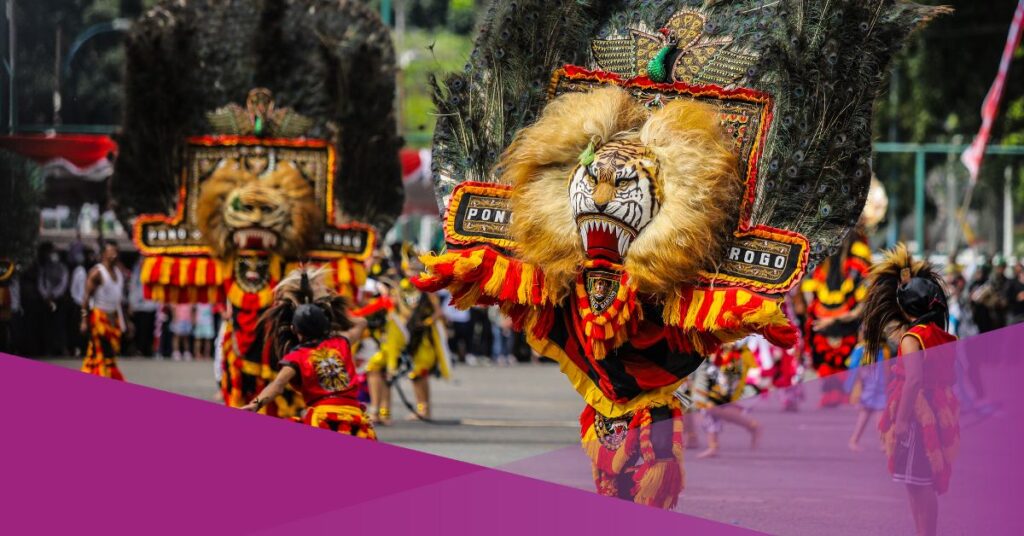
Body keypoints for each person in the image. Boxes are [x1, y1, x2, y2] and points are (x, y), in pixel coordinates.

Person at [861, 244, 958, 536]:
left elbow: (914, 380)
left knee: (917, 484)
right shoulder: (940, 334)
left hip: (920, 413)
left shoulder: (912, 338)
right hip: (940, 407)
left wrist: (901, 421)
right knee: (922, 481)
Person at [242, 270, 374, 440]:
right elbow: (361, 322)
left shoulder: (297, 357)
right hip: (356, 421)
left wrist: (255, 405)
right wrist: (328, 306)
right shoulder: (341, 342)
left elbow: (277, 386)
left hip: (322, 420)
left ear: (293, 330)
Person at [79, 241, 130, 380]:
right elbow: (86, 298)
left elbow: (119, 300)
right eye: (111, 252)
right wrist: (84, 320)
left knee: (108, 354)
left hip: (113, 319)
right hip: (99, 318)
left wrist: (126, 321)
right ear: (103, 254)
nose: (114, 255)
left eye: (116, 252)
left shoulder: (119, 273)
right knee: (103, 353)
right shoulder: (97, 273)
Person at [845, 339, 891, 452]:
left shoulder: (884, 348)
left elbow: (887, 366)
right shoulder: (862, 348)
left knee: (876, 413)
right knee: (870, 412)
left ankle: (880, 442)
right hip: (868, 384)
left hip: (880, 384)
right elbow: (853, 365)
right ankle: (856, 440)